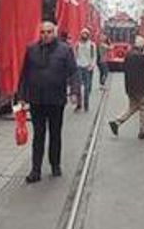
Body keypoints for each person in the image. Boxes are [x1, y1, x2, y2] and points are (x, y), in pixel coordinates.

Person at [18, 22, 77, 183]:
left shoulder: (65, 50)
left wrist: (74, 92)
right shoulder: (31, 49)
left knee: (55, 134)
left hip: (56, 100)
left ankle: (55, 165)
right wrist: (22, 97)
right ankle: (35, 170)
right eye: (43, 32)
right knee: (38, 135)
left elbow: (73, 72)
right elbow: (24, 74)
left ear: (55, 33)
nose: (46, 35)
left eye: (49, 32)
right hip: (37, 100)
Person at [109, 36, 144, 139]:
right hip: (141, 87)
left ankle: (116, 122)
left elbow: (123, 67)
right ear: (142, 46)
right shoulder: (141, 57)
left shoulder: (128, 56)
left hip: (130, 87)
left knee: (133, 107)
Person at [74, 28, 98, 111]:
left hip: (88, 67)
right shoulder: (77, 44)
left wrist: (92, 65)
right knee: (78, 86)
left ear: (88, 35)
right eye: (83, 34)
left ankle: (86, 104)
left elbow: (94, 56)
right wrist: (75, 64)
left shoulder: (92, 45)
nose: (84, 35)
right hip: (79, 66)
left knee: (87, 87)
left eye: (86, 34)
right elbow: (75, 55)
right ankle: (79, 104)